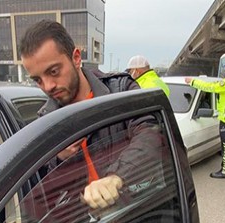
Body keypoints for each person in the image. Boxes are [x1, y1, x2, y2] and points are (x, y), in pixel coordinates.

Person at [20, 20, 162, 209]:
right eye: (38, 80)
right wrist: (59, 158)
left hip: (133, 217)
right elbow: (46, 195)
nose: (48, 86)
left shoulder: (120, 91)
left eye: (54, 71)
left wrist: (115, 177)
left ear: (76, 58)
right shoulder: (46, 122)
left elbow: (152, 134)